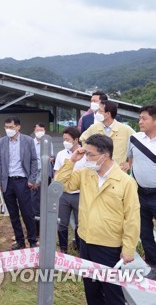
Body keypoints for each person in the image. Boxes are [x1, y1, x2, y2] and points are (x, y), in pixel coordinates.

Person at [55, 134, 140, 305]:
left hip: (109, 246)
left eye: (90, 154)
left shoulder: (125, 182)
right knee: (91, 291)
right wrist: (72, 160)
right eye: (85, 154)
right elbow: (60, 185)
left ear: (105, 155)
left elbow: (132, 217)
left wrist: (129, 248)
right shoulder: (86, 174)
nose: (86, 158)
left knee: (112, 292)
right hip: (86, 241)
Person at [0, 116, 38, 250]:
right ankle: (20, 241)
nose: (9, 130)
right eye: (6, 127)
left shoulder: (28, 141)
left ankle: (32, 240)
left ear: (18, 127)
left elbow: (34, 161)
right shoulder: (2, 142)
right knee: (13, 214)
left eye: (11, 127)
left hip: (22, 181)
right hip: (7, 182)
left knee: (27, 213)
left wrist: (32, 179)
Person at [124, 105, 156, 280]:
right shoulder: (134, 138)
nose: (140, 121)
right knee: (144, 232)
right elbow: (130, 160)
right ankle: (153, 264)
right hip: (139, 194)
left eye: (144, 118)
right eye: (140, 118)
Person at [53, 127, 86, 253]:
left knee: (80, 223)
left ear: (76, 139)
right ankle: (63, 250)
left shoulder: (84, 155)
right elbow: (57, 172)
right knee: (62, 222)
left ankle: (80, 249)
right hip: (64, 194)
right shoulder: (61, 154)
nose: (65, 142)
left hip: (79, 194)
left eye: (68, 139)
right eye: (64, 139)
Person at [80, 100, 135, 166]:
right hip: (97, 169)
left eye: (100, 111)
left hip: (118, 171)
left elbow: (137, 145)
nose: (97, 113)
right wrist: (88, 152)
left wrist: (130, 162)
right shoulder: (93, 128)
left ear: (108, 114)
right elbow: (82, 139)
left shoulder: (125, 129)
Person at [30, 122, 54, 238]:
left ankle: (44, 229)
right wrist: (35, 179)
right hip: (34, 177)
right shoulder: (30, 143)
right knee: (34, 204)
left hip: (45, 176)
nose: (40, 132)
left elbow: (50, 158)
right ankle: (36, 231)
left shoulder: (48, 143)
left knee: (44, 202)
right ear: (34, 130)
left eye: (42, 130)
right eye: (38, 129)